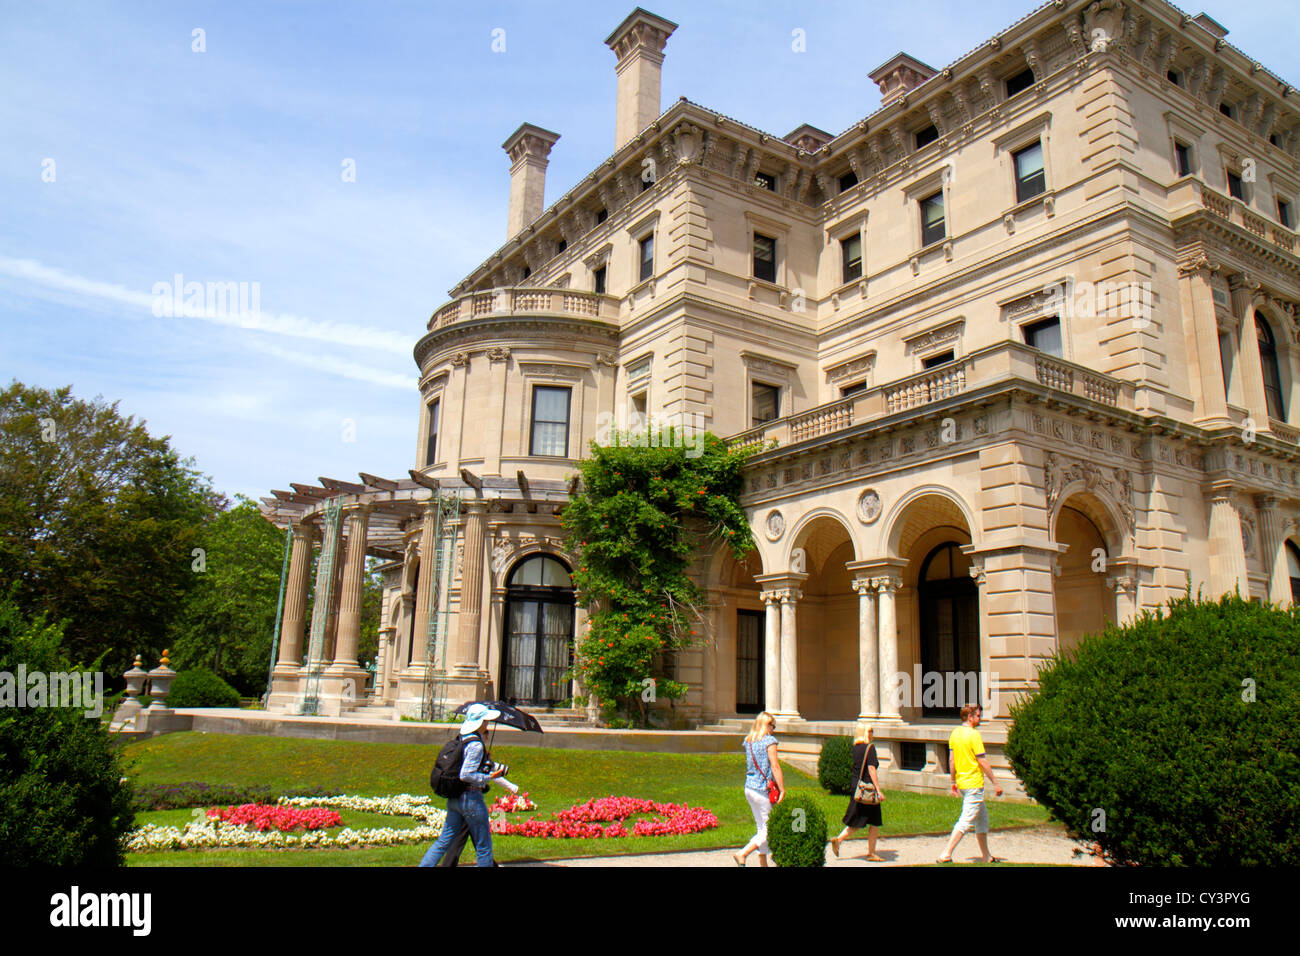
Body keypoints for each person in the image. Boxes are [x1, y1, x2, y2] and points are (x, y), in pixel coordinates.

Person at [419, 704, 506, 867]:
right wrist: (488, 777)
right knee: (483, 846)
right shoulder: (476, 744)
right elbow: (466, 774)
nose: (487, 724)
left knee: (443, 842)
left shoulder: (463, 738)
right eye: (485, 721)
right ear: (480, 722)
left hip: (455, 797)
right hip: (470, 798)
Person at [937, 703, 1003, 864]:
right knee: (965, 821)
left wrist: (953, 780)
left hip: (964, 783)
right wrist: (995, 782)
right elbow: (983, 761)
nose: (980, 719)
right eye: (978, 716)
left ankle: (986, 856)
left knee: (982, 820)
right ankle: (945, 854)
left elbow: (951, 760)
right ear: (970, 717)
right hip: (973, 783)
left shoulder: (955, 733)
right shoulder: (974, 735)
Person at [829, 719, 885, 861]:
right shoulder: (869, 748)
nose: (872, 733)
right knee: (874, 821)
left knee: (859, 819)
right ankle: (870, 852)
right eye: (870, 731)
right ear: (864, 733)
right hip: (868, 790)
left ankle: (839, 840)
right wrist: (878, 790)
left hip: (857, 787)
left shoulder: (856, 747)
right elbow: (871, 769)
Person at [733, 711, 784, 867]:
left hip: (749, 787)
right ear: (766, 725)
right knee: (769, 830)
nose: (773, 729)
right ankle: (742, 853)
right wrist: (782, 789)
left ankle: (763, 864)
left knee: (761, 827)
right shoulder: (769, 741)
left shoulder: (749, 741)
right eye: (772, 725)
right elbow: (775, 766)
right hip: (763, 789)